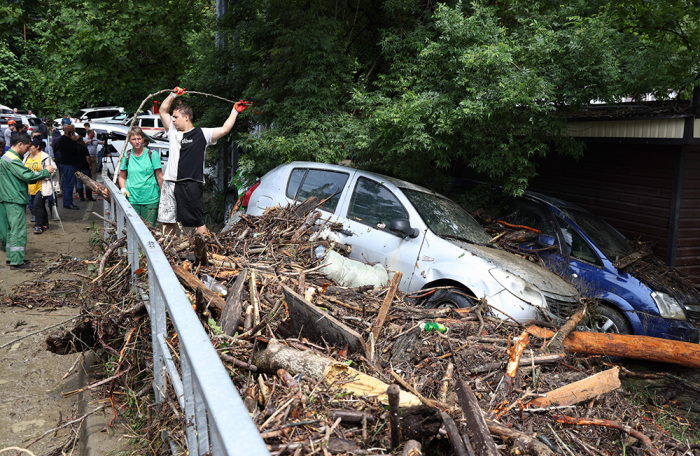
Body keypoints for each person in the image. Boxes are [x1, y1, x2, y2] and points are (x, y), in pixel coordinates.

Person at [158, 86, 249, 235]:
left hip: (191, 183)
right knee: (168, 221)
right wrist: (172, 95)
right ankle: (168, 248)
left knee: (197, 222)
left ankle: (206, 247)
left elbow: (224, 130)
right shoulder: (172, 131)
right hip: (170, 183)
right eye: (172, 117)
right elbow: (162, 111)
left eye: (176, 117)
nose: (173, 120)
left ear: (186, 117)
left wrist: (235, 111)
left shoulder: (202, 133)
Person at [0, 132, 55, 269]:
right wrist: (45, 171)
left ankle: (11, 258)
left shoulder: (6, 157)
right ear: (20, 144)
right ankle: (17, 261)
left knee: (11, 230)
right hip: (15, 198)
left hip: (7, 198)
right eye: (26, 147)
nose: (27, 150)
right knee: (18, 231)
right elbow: (28, 176)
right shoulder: (13, 159)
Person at [118, 127, 164, 225]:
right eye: (134, 139)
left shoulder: (152, 154)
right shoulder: (126, 155)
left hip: (150, 199)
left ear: (143, 139)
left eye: (139, 139)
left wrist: (164, 195)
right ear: (129, 141)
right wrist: (123, 188)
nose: (137, 142)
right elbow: (122, 176)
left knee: (149, 229)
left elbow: (160, 176)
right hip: (132, 199)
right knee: (133, 228)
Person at [23, 137, 56, 233]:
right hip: (31, 186)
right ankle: (45, 224)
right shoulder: (27, 157)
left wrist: (47, 175)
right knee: (40, 205)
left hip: (42, 186)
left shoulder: (44, 156)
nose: (29, 148)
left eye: (31, 146)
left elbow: (53, 168)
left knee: (37, 205)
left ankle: (38, 226)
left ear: (37, 147)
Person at [54, 124, 80, 210]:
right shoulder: (64, 140)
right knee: (68, 184)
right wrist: (74, 141)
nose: (74, 133)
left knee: (67, 184)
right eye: (73, 132)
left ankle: (68, 201)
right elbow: (71, 149)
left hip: (69, 164)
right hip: (68, 164)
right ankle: (67, 202)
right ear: (69, 132)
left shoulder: (65, 139)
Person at [75, 136, 95, 202]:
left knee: (79, 182)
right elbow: (88, 158)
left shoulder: (73, 147)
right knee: (88, 182)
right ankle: (89, 197)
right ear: (81, 141)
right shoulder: (83, 147)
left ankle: (81, 197)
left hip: (77, 167)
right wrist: (90, 165)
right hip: (85, 166)